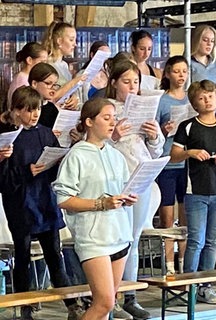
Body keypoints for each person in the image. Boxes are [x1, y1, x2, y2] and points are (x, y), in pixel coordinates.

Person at [0, 86, 83, 320]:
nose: (34, 114)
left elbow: (56, 167)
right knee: (23, 256)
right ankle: (25, 306)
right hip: (21, 203)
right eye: (28, 110)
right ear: (16, 111)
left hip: (45, 199)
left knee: (55, 255)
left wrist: (60, 159)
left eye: (36, 109)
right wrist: (26, 171)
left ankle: (72, 305)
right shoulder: (8, 138)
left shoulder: (46, 133)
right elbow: (3, 181)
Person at [53, 98, 137, 320]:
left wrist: (127, 198)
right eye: (106, 118)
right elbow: (64, 199)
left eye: (114, 118)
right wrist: (101, 203)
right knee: (104, 302)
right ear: (89, 122)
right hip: (94, 238)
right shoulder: (77, 155)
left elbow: (122, 188)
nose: (112, 123)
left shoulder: (115, 155)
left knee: (110, 304)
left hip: (119, 233)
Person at [170, 79, 216, 304]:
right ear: (194, 103)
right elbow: (174, 154)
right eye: (201, 97)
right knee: (195, 240)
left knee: (212, 240)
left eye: (210, 96)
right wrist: (191, 153)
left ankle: (206, 286)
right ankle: (189, 284)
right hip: (195, 191)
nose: (207, 100)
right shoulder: (188, 126)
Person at [106, 60, 164, 319]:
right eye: (126, 81)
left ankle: (131, 296)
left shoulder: (144, 109)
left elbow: (156, 150)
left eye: (136, 82)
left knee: (134, 238)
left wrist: (154, 135)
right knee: (117, 241)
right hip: (117, 182)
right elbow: (95, 146)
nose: (132, 87)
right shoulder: (107, 109)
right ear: (114, 83)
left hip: (141, 178)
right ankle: (112, 297)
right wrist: (113, 135)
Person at [155, 55, 190, 276]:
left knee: (186, 215)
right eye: (176, 71)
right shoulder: (162, 101)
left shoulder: (190, 99)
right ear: (167, 73)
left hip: (187, 162)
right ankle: (168, 264)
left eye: (184, 71)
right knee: (167, 216)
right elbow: (152, 132)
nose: (181, 76)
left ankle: (184, 262)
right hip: (167, 162)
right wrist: (164, 130)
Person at [42, 21, 85, 109]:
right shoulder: (46, 65)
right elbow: (49, 96)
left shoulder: (64, 65)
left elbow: (69, 91)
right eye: (71, 40)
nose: (75, 44)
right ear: (59, 41)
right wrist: (74, 82)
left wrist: (74, 98)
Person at [7, 42, 47, 109]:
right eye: (42, 62)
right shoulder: (22, 79)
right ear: (29, 60)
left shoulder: (29, 77)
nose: (45, 66)